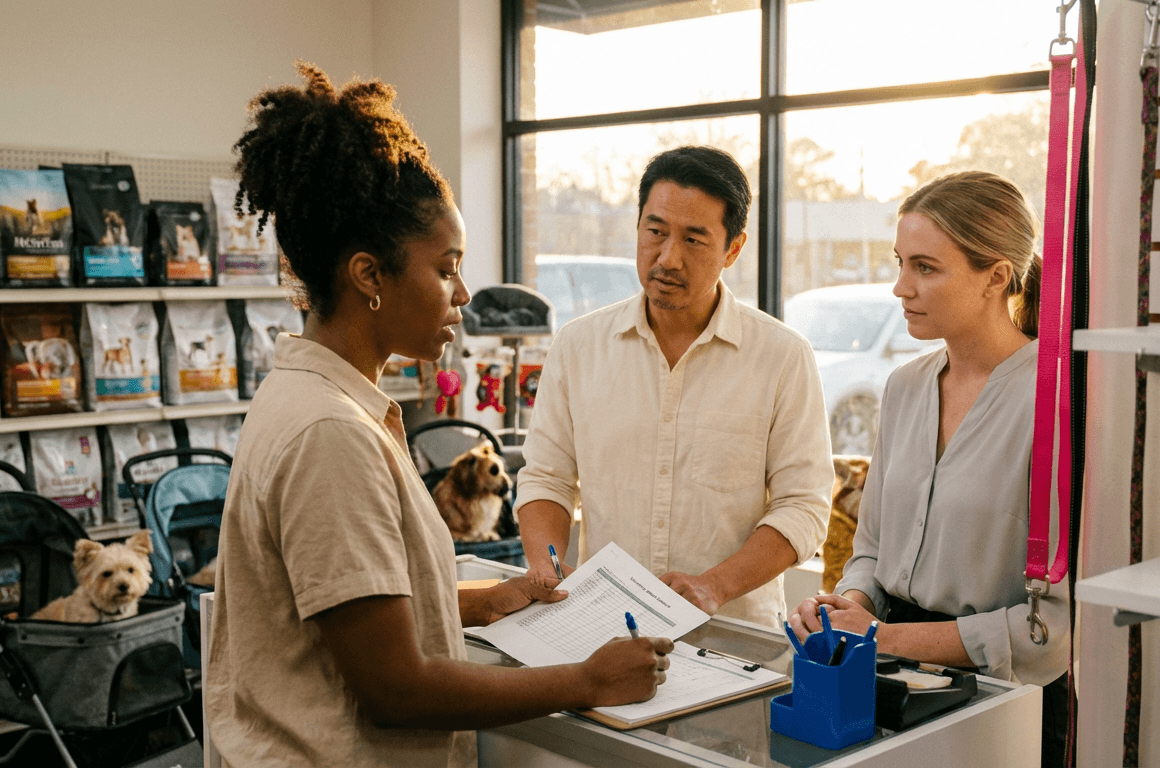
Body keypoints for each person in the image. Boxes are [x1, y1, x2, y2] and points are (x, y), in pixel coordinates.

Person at [204, 64, 672, 768]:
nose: (462, 292)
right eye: (446, 266)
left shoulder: (323, 400)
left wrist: (485, 601)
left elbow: (352, 610)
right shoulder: (329, 433)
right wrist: (585, 681)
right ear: (369, 276)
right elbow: (395, 688)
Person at [788, 171, 1070, 767]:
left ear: (996, 276)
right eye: (899, 262)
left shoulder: (1056, 403)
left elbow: (1049, 633)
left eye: (925, 267)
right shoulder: (904, 387)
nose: (899, 287)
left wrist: (879, 636)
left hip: (1001, 702)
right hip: (887, 680)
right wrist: (848, 603)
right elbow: (871, 547)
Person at [517, 146, 833, 627]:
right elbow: (547, 479)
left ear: (733, 248)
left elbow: (804, 505)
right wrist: (549, 568)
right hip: (604, 630)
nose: (668, 258)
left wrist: (714, 586)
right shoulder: (578, 347)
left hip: (732, 637)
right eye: (656, 232)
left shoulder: (782, 356)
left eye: (694, 240)